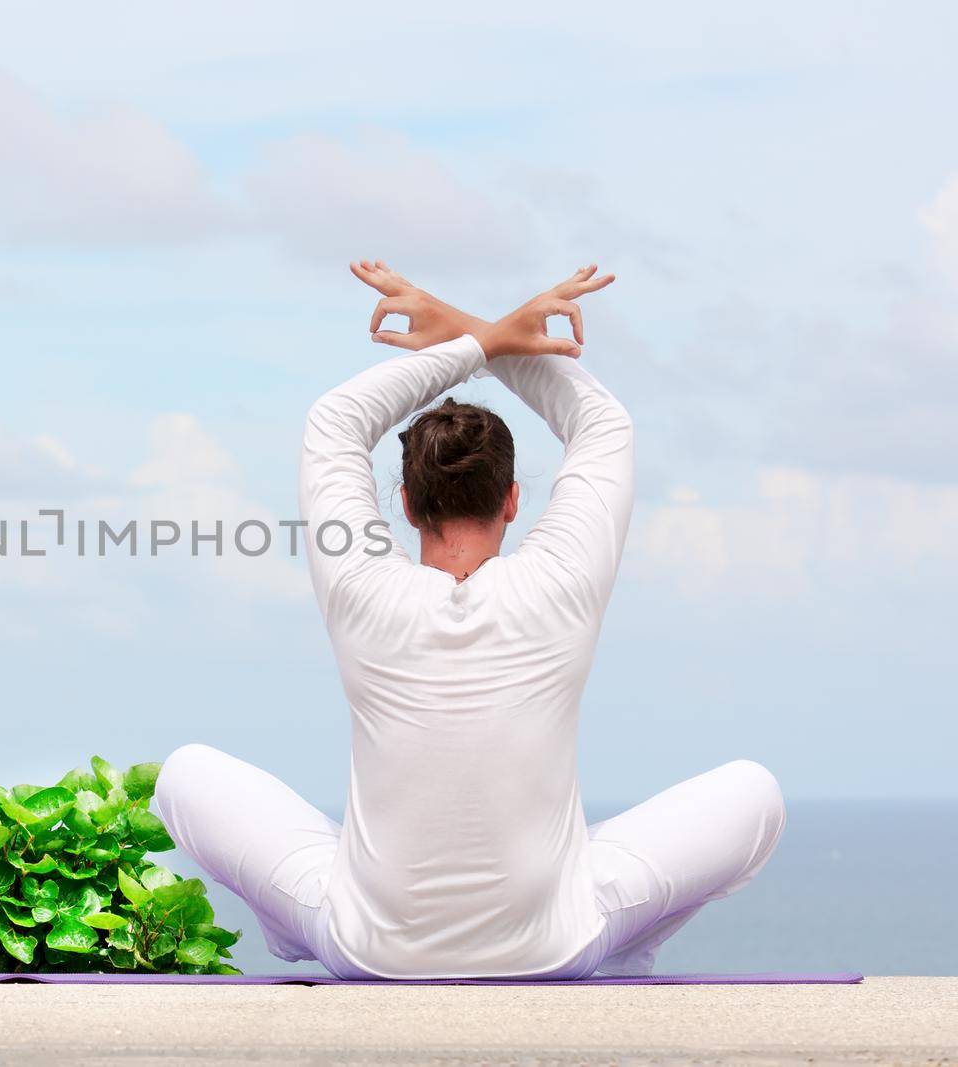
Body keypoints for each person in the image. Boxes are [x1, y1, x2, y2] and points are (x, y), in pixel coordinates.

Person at [152, 263, 785, 979]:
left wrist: (472, 344)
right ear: (513, 499)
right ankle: (622, 947)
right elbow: (602, 423)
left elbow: (334, 421)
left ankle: (298, 933)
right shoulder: (559, 583)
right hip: (553, 946)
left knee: (184, 775)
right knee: (753, 793)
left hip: (369, 947)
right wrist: (476, 328)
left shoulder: (363, 586)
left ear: (404, 501)